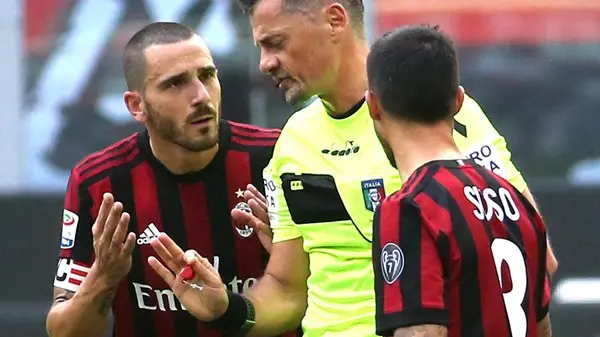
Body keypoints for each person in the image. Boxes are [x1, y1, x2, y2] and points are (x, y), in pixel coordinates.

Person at [147, 1, 558, 337]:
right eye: (260, 48)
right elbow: (289, 290)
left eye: (275, 43)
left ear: (335, 19)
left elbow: (532, 251)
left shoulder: (436, 115)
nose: (264, 63)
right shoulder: (294, 142)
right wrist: (228, 310)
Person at [45, 21, 286, 337]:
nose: (201, 96)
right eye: (176, 84)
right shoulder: (98, 184)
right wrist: (103, 277)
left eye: (207, 75)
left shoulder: (277, 158)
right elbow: (65, 332)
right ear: (136, 105)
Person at [366, 25, 552, 337]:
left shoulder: (410, 208)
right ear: (458, 101)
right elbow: (542, 326)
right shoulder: (515, 199)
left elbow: (421, 332)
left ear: (373, 105)